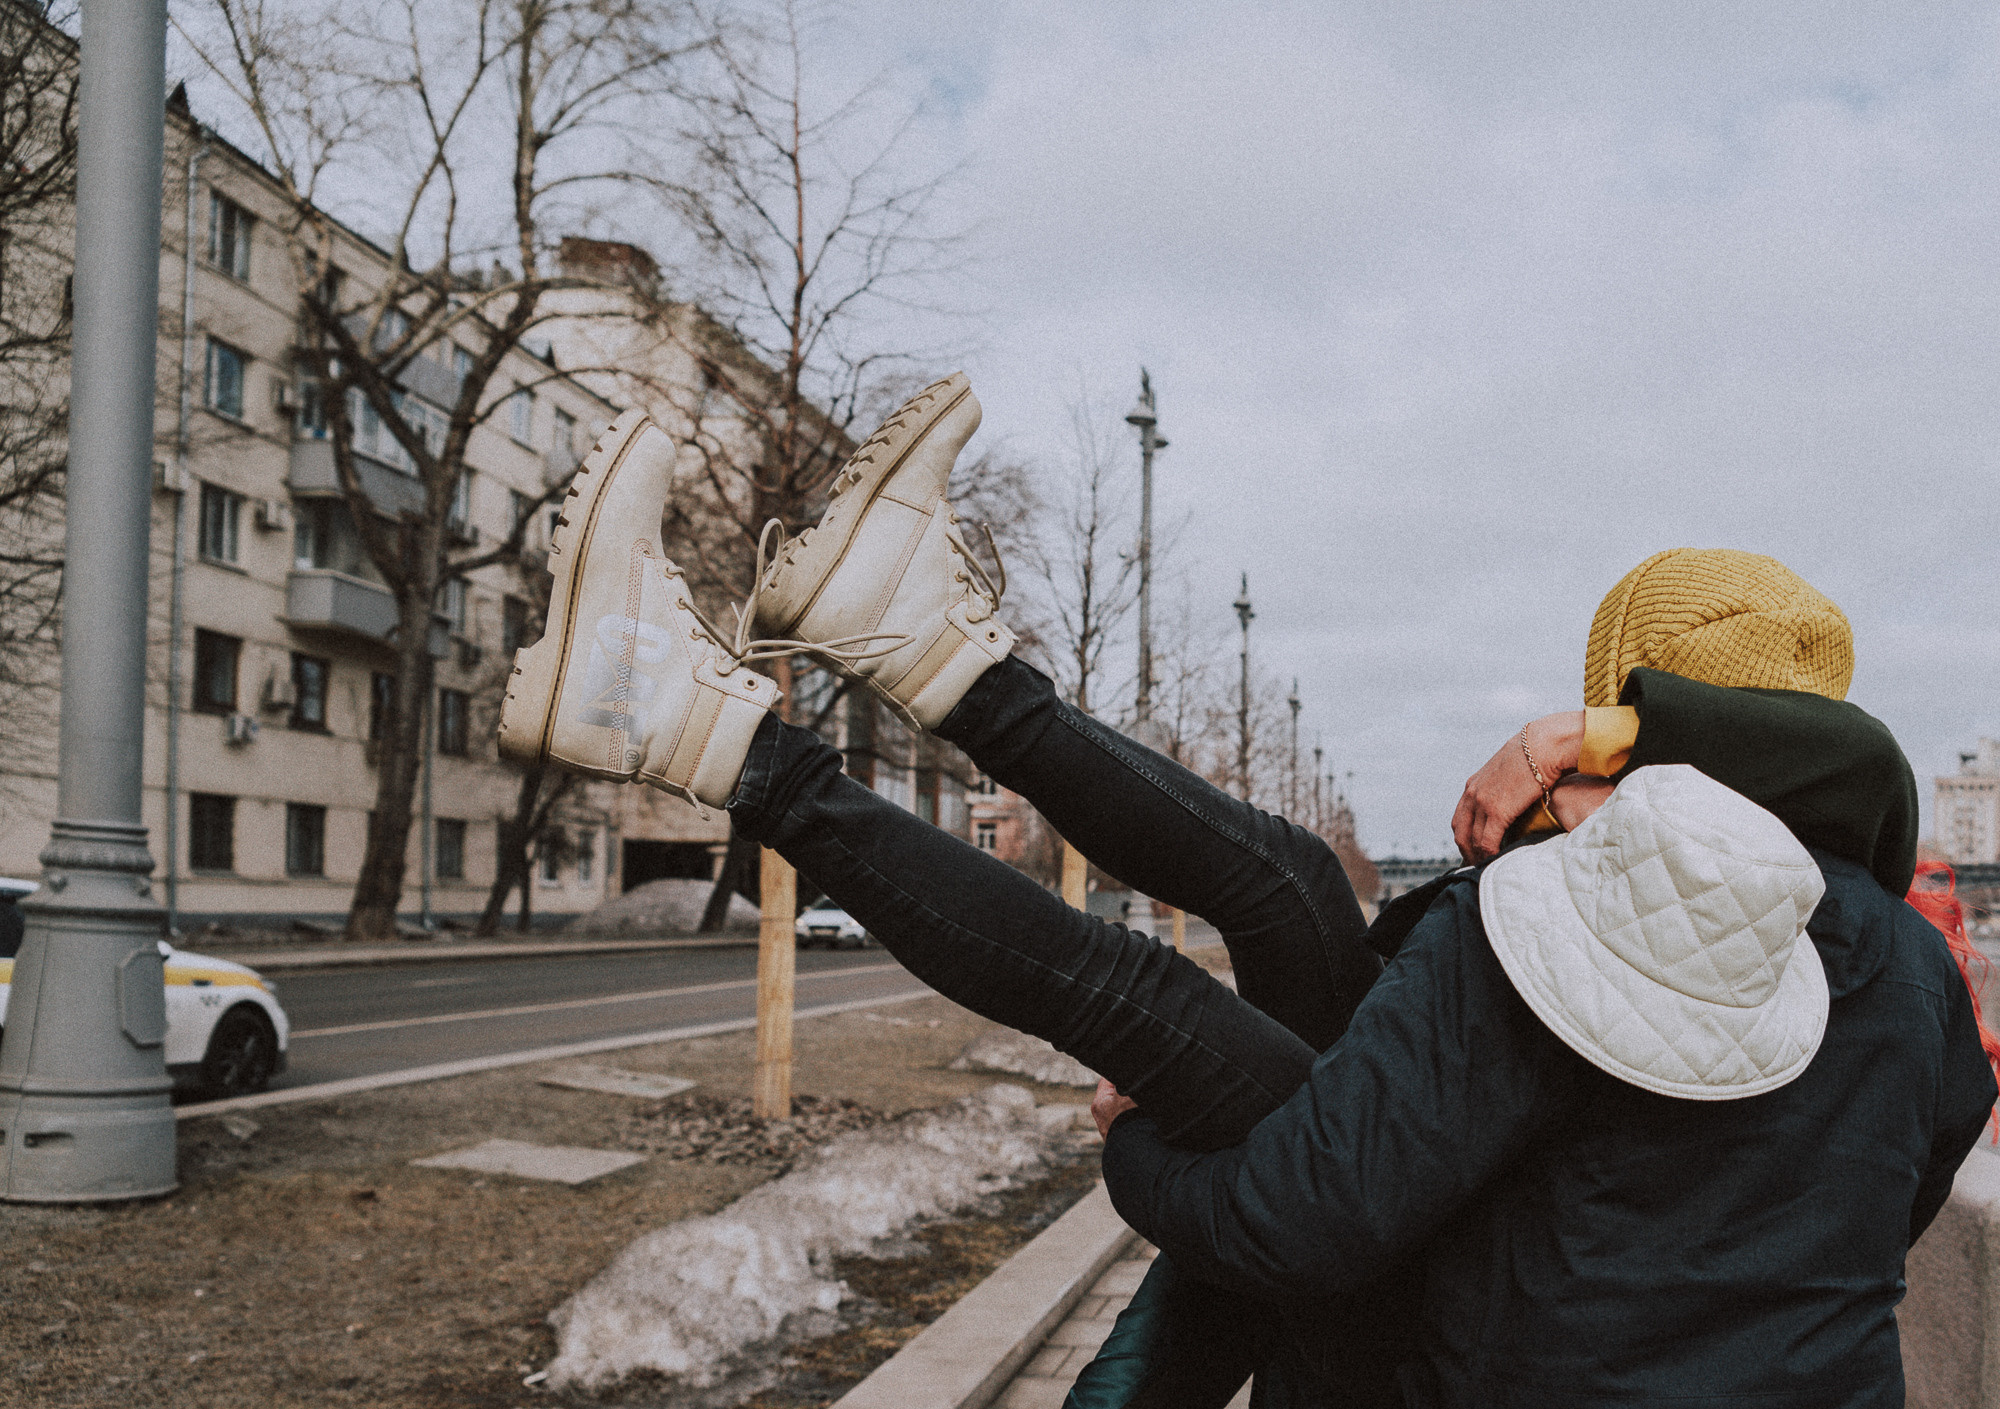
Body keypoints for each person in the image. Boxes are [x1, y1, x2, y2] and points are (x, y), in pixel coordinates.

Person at [499, 377, 1996, 1407]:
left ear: (1640, 711)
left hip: (1440, 1366)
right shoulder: (1914, 980)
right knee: (1282, 892)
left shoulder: (1560, 924)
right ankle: (892, 653)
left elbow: (1301, 1220)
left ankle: (718, 722)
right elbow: (1896, 1191)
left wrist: (1139, 1149)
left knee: (1171, 1020)